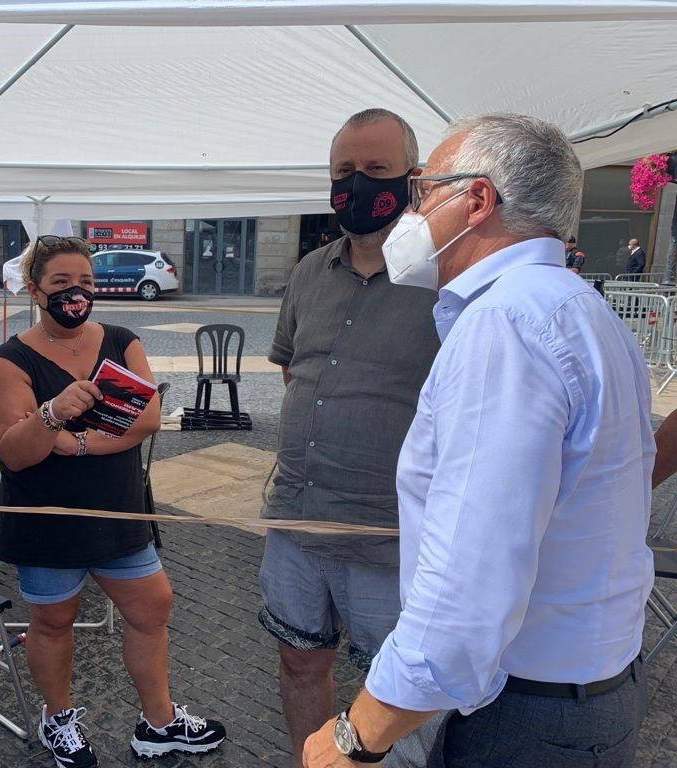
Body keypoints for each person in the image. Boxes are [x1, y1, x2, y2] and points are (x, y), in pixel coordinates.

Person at [304, 113, 654, 768]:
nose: (409, 213)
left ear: (477, 199)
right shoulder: (579, 308)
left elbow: (468, 592)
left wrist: (355, 735)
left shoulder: (505, 325)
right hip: (588, 689)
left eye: (422, 192)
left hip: (527, 714)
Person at [0, 235, 226, 768]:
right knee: (53, 622)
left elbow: (146, 417)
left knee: (152, 608)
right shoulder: (11, 361)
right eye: (61, 283)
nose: (76, 293)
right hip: (46, 520)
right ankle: (59, 718)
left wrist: (76, 442)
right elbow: (15, 453)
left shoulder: (120, 339)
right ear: (34, 289)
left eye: (86, 282)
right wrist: (51, 414)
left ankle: (158, 724)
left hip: (117, 511)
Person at [260, 108, 440, 766]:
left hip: (391, 537)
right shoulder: (309, 272)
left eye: (375, 170)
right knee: (299, 662)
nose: (356, 185)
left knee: (397, 690)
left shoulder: (444, 280)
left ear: (414, 180)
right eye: (344, 171)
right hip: (296, 521)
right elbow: (291, 370)